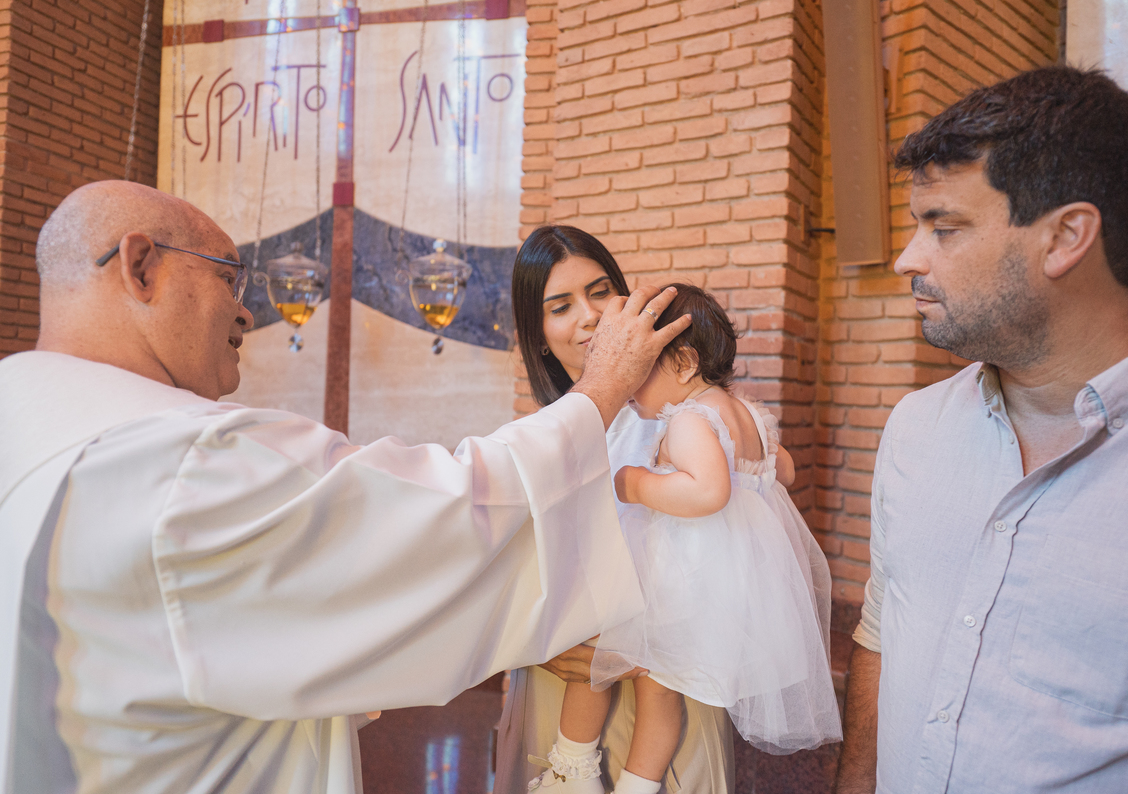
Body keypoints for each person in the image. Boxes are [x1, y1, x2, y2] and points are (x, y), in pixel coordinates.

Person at [0, 181, 692, 794]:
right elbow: (448, 517)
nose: (245, 316)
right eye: (229, 281)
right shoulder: (184, 459)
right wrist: (602, 388)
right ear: (141, 265)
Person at [833, 66, 1128, 794]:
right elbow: (885, 630)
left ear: (1066, 236)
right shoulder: (914, 428)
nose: (908, 258)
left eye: (944, 226)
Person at [527, 284, 840, 794]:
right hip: (729, 588)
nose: (627, 382)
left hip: (676, 582)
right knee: (661, 694)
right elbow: (784, 469)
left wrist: (635, 481)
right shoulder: (751, 414)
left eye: (639, 368)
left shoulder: (691, 419)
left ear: (685, 361)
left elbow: (709, 492)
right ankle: (638, 785)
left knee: (599, 664)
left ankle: (572, 768)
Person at [495, 227, 735, 794]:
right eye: (561, 306)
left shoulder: (677, 412)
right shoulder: (532, 438)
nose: (590, 317)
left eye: (601, 293)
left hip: (665, 689)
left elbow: (733, 531)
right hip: (566, 684)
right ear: (538, 332)